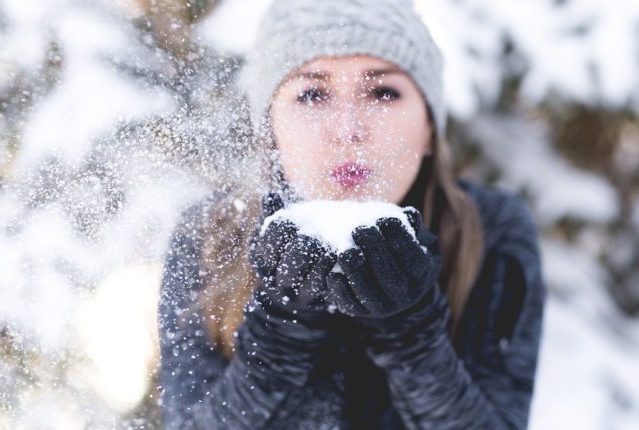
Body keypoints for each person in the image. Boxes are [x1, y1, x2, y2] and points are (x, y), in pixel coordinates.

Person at [157, 0, 545, 428]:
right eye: (312, 93)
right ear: (270, 131)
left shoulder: (489, 233)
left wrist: (412, 336)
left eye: (382, 92)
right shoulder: (212, 236)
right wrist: (279, 333)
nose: (347, 130)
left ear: (430, 128)